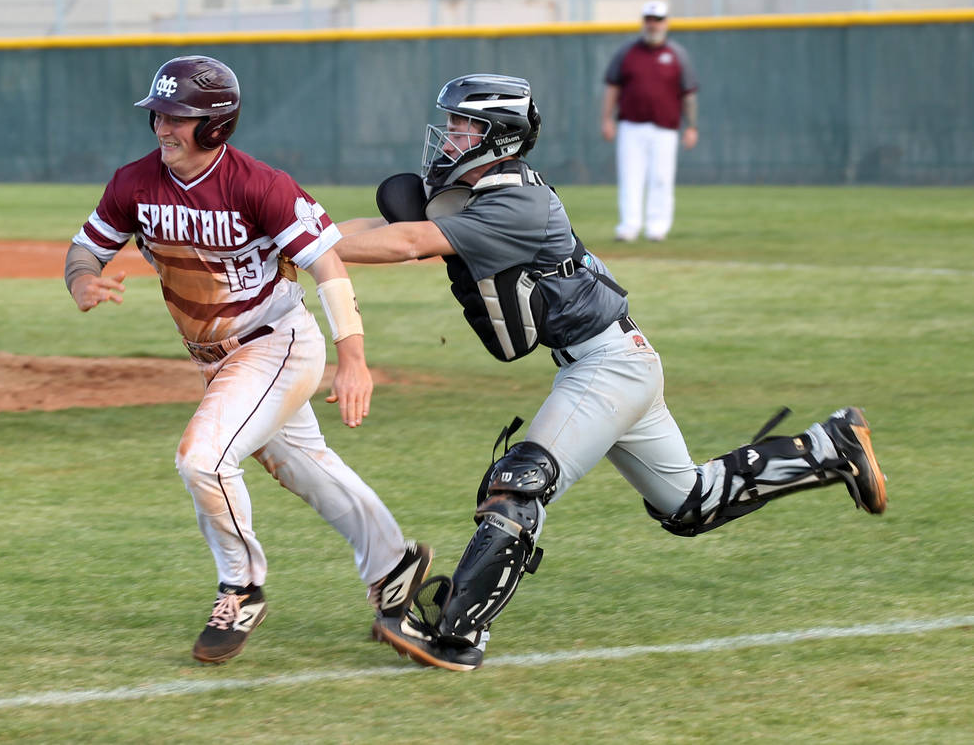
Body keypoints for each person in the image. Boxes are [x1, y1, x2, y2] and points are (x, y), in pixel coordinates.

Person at [333, 72, 887, 671]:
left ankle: (459, 635)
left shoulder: (517, 202)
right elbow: (380, 227)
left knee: (519, 485)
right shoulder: (481, 189)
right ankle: (830, 447)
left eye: (464, 127)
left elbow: (409, 243)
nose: (448, 137)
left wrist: (303, 247)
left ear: (499, 138)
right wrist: (298, 236)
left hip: (608, 364)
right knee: (690, 504)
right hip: (616, 360)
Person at [64, 55, 432, 665]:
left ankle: (241, 586)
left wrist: (354, 358)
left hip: (276, 343)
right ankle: (395, 563)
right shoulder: (134, 183)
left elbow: (328, 264)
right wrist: (82, 280)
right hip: (218, 358)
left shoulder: (259, 184)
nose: (161, 127)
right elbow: (86, 249)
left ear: (215, 125)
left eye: (177, 117)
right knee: (308, 468)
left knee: (202, 459)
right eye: (157, 113)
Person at [601, 0, 699, 242]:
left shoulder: (676, 55)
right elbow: (612, 87)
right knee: (630, 176)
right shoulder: (627, 52)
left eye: (658, 20)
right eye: (649, 20)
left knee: (662, 178)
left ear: (666, 23)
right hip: (631, 125)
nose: (653, 25)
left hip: (665, 128)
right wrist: (606, 119)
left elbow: (688, 93)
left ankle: (658, 227)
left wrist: (692, 126)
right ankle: (629, 226)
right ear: (643, 22)